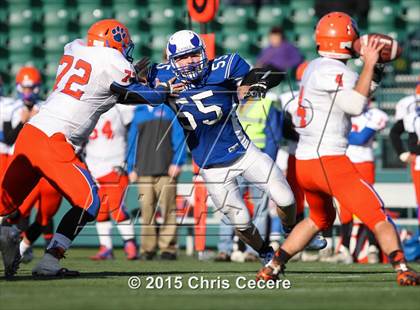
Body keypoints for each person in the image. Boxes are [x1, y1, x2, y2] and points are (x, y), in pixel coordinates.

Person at [0, 19, 174, 277]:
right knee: (90, 201)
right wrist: (164, 90)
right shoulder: (114, 63)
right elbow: (146, 96)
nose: (126, 52)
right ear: (115, 42)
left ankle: (8, 233)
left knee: (5, 205)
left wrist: (136, 84)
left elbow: (114, 92)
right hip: (55, 141)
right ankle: (50, 261)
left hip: (30, 135)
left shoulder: (76, 48)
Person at [257, 12, 419, 286]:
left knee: (320, 218)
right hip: (328, 160)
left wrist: (374, 70)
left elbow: (355, 95)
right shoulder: (336, 71)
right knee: (377, 214)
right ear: (346, 40)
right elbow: (356, 106)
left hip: (305, 161)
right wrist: (368, 62)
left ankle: (273, 265)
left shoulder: (314, 67)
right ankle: (402, 266)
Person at [112, 29, 297, 264]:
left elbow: (273, 73)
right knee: (241, 222)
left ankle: (291, 230)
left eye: (193, 55)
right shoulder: (160, 75)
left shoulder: (225, 66)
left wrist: (254, 84)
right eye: (182, 57)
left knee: (286, 198)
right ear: (171, 61)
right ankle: (264, 252)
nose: (189, 62)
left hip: (244, 152)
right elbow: (122, 92)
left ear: (203, 53)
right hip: (211, 166)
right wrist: (159, 91)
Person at [2, 66, 62, 264]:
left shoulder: (45, 107)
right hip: (18, 162)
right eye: (25, 88)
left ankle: (33, 248)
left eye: (32, 88)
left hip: (40, 164)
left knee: (45, 209)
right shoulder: (11, 108)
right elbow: (9, 139)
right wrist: (24, 122)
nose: (29, 92)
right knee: (17, 209)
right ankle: (16, 247)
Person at [127, 104, 186, 260]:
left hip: (167, 170)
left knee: (169, 210)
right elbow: (132, 142)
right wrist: (130, 167)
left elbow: (179, 138)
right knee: (146, 211)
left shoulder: (168, 110)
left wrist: (177, 162)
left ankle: (168, 248)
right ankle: (148, 248)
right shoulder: (138, 112)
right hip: (143, 171)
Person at [85, 105, 138, 261]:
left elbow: (135, 129)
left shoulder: (121, 108)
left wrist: (129, 161)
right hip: (92, 167)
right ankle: (106, 247)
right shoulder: (87, 109)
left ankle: (130, 243)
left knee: (117, 208)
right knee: (99, 211)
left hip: (115, 165)